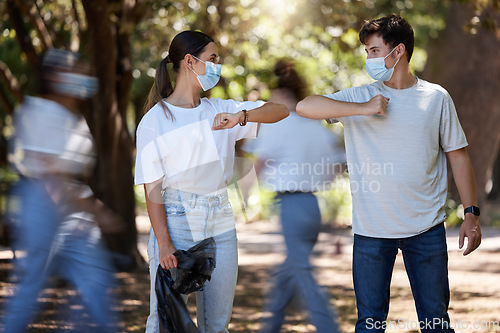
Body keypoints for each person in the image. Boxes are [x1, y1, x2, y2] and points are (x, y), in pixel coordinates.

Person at [296, 14, 482, 332]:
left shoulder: (436, 98)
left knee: (436, 323)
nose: (369, 58)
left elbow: (459, 157)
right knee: (369, 324)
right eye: (367, 51)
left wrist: (471, 213)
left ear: (398, 52)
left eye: (374, 50)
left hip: (426, 229)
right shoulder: (358, 96)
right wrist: (363, 108)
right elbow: (305, 106)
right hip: (371, 231)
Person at [134, 30, 289, 333]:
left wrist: (241, 116)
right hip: (176, 218)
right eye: (213, 58)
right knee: (165, 319)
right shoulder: (155, 119)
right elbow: (151, 189)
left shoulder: (221, 110)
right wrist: (164, 243)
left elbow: (280, 111)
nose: (218, 66)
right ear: (189, 61)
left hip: (220, 217)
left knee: (217, 323)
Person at [2, 49, 120, 332]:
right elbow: (52, 177)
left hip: (73, 205)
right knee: (31, 286)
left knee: (96, 280)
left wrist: (88, 206)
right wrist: (96, 211)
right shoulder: (36, 112)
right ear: (55, 76)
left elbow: (73, 176)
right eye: (78, 71)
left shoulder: (75, 118)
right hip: (42, 202)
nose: (85, 78)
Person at [243, 59, 344, 332]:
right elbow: (336, 165)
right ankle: (270, 326)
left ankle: (328, 328)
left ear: (280, 93)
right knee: (286, 275)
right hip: (312, 204)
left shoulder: (277, 124)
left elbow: (260, 164)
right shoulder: (315, 127)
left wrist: (245, 199)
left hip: (290, 205)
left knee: (304, 274)